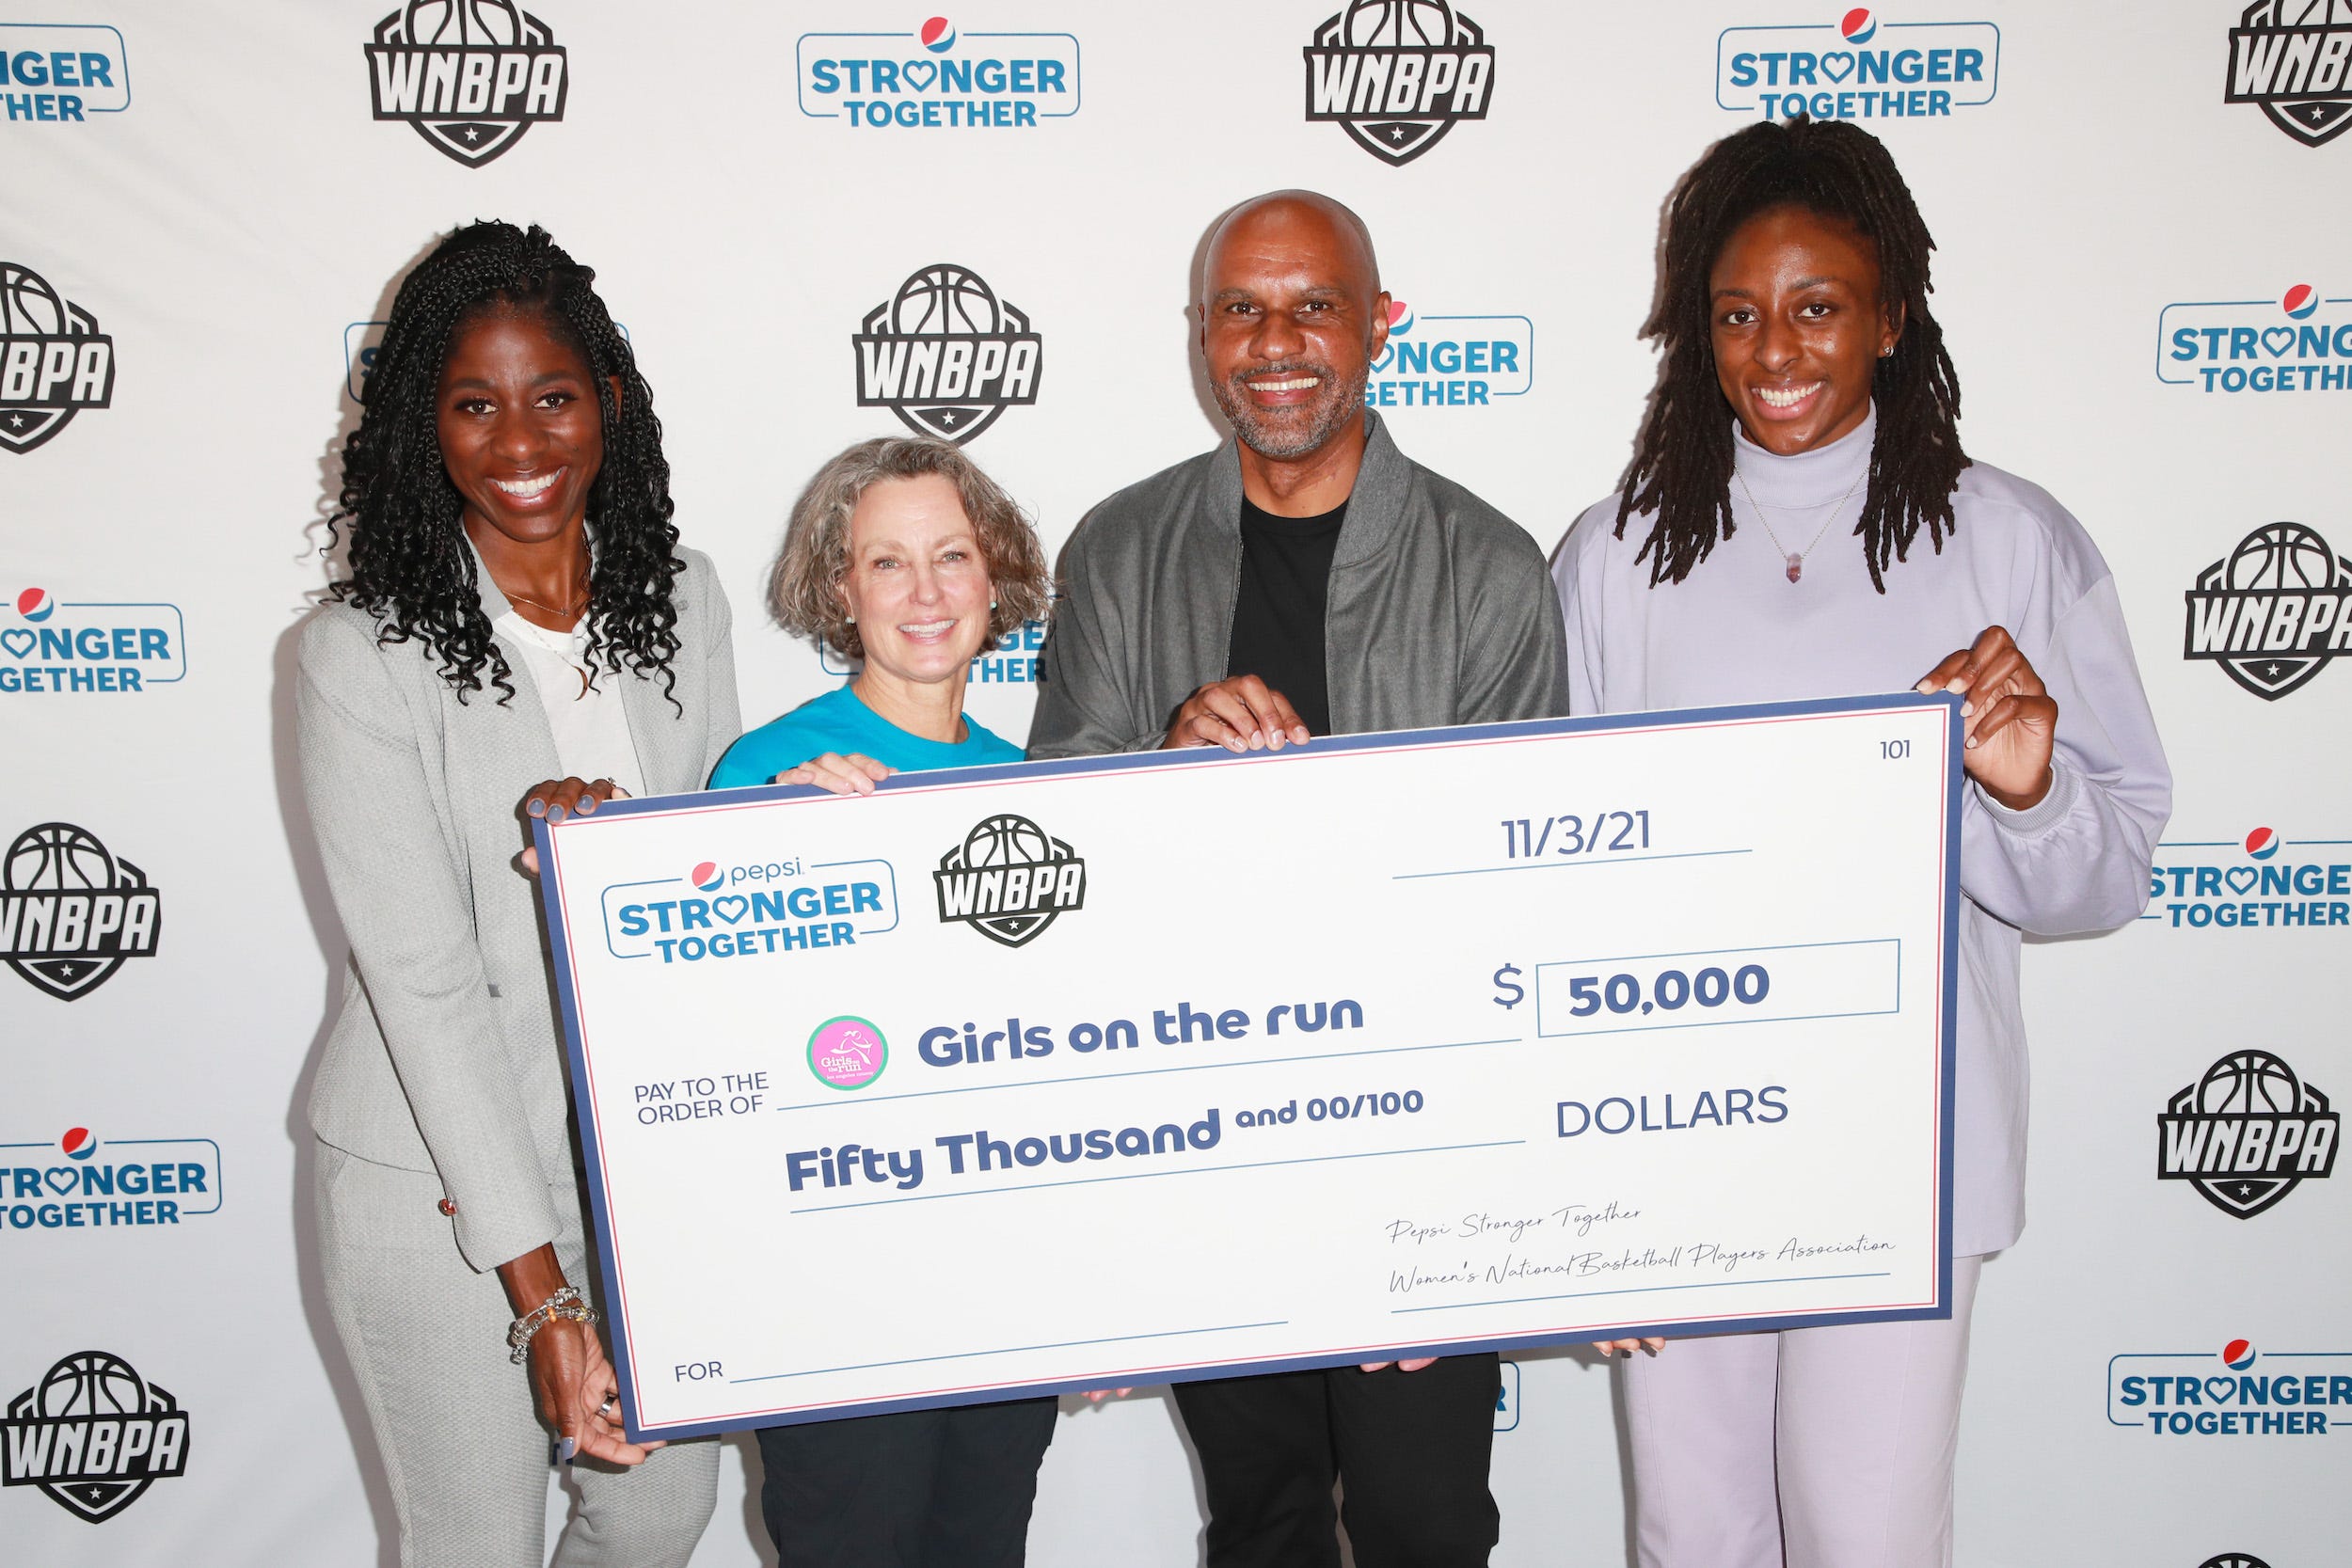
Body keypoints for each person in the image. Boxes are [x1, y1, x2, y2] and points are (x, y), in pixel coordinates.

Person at [1552, 118, 2169, 1568]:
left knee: (1865, 1535)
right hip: (1674, 1146)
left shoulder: (2011, 539)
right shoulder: (1616, 555)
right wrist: (1578, 1186)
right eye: (1739, 313)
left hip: (1905, 1150)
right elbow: (1566, 895)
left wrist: (2020, 791)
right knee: (1690, 1535)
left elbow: (2113, 867)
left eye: (1819, 305)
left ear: (1893, 316)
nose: (1777, 347)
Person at [1029, 190, 1565, 1568]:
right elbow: (1050, 862)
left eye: (1313, 304)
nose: (1276, 341)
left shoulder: (1492, 567)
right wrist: (1159, 761)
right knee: (1263, 1521)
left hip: (1420, 1140)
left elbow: (1528, 899)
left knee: (1423, 1519)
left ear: (1378, 324)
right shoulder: (1120, 546)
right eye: (1241, 308)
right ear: (1202, 335)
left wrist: (1461, 1195)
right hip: (1212, 1132)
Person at [297, 221, 734, 1567]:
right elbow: (426, 987)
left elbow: (715, 896)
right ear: (422, 426)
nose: (520, 440)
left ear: (607, 401)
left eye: (551, 396)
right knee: (474, 1542)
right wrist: (544, 1305)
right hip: (436, 1172)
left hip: (636, 1164)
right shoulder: (358, 653)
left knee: (663, 1507)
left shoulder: (685, 599)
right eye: (473, 405)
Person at [708, 435, 1057, 1567]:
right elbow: (716, 1050)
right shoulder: (763, 775)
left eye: (952, 555)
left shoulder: (1036, 788)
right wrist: (772, 860)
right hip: (832, 1291)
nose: (925, 592)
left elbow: (1065, 1060)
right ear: (837, 586)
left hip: (1003, 1289)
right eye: (888, 562)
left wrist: (1097, 1286)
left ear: (995, 575)